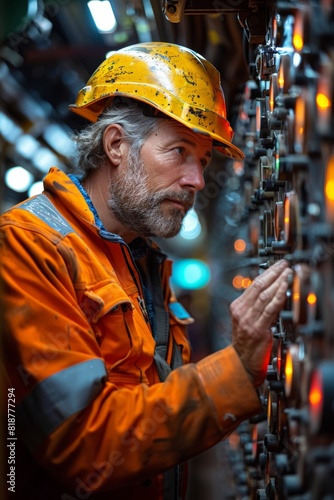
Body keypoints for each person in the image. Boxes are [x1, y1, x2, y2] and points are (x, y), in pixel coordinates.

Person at [1, 41, 291, 500]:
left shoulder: (138, 260)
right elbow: (83, 447)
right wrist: (234, 371)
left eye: (203, 161)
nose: (196, 180)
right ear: (116, 144)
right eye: (179, 151)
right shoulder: (27, 246)